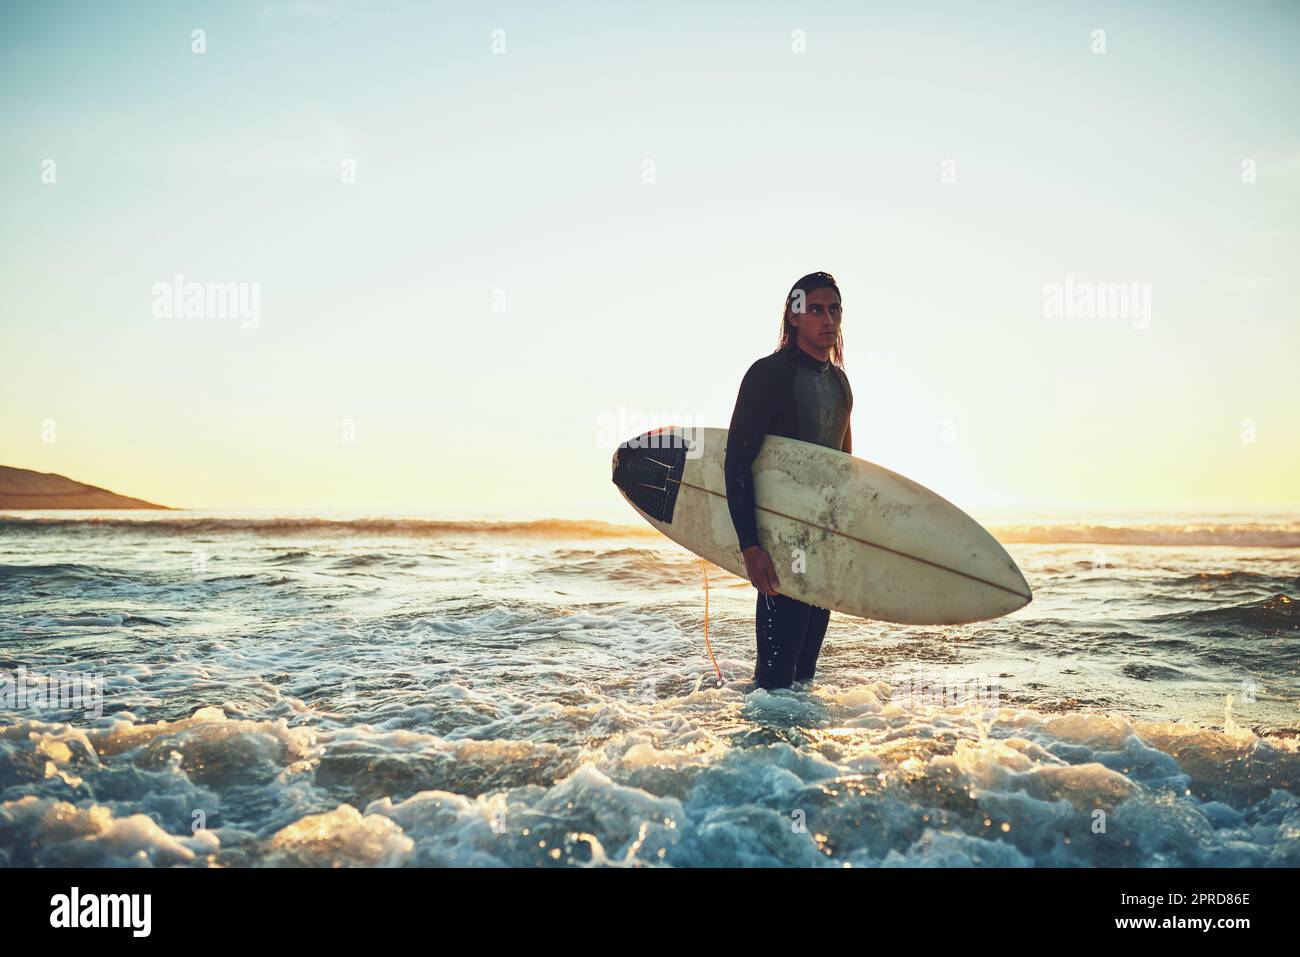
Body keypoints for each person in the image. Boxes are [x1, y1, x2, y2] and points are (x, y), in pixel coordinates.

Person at [724, 271, 853, 690]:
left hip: (821, 550)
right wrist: (750, 546)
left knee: (802, 683)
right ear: (794, 316)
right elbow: (737, 463)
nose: (827, 319)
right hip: (780, 550)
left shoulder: (839, 383)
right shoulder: (768, 375)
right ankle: (756, 754)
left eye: (833, 309)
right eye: (815, 309)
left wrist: (845, 546)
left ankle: (795, 758)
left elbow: (843, 469)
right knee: (774, 686)